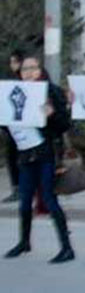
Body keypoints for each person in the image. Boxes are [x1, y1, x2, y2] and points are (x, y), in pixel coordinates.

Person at [4, 54, 74, 263]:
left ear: (40, 70)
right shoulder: (15, 92)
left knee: (50, 200)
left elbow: (64, 125)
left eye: (33, 68)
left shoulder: (51, 91)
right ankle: (24, 241)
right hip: (25, 153)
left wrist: (51, 114)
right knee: (25, 201)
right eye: (25, 69)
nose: (29, 73)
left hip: (46, 152)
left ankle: (66, 247)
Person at [2, 48, 24, 204]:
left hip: (26, 127)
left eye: (14, 62)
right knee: (11, 157)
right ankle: (17, 188)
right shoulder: (11, 79)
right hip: (12, 127)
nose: (12, 65)